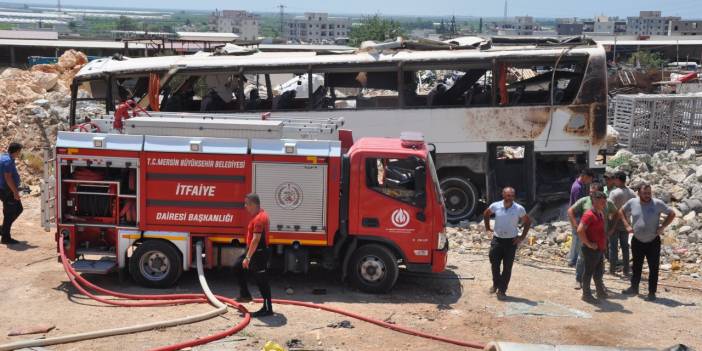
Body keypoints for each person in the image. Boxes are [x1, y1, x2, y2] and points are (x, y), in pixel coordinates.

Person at [619, 184, 676, 301]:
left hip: (653, 241)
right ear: (639, 193)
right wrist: (626, 225)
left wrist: (663, 226)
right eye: (645, 193)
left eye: (649, 193)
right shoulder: (632, 202)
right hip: (637, 241)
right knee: (636, 266)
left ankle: (651, 292)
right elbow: (621, 211)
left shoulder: (657, 203)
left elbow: (672, 213)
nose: (647, 195)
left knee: (653, 268)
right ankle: (634, 288)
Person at [484, 187, 531, 300]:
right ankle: (496, 284)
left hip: (511, 241)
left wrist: (522, 237)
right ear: (503, 195)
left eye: (512, 196)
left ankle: (502, 290)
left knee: (507, 267)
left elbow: (528, 222)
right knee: (494, 263)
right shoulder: (495, 206)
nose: (510, 198)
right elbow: (486, 214)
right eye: (508, 195)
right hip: (497, 240)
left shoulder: (519, 209)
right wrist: (487, 229)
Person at [567, 182, 618, 289]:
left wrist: (612, 228)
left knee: (600, 261)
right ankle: (579, 280)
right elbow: (570, 210)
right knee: (582, 258)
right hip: (587, 237)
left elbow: (617, 213)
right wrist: (575, 225)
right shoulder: (585, 201)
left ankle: (599, 282)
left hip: (602, 237)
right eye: (590, 192)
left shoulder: (607, 202)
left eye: (593, 193)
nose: (591, 195)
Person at [234, 193, 273, 317]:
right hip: (254, 251)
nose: (245, 206)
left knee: (262, 281)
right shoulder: (258, 215)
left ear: (253, 204)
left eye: (246, 204)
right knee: (236, 267)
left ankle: (267, 309)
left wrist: (248, 257)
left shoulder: (259, 218)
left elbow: (256, 239)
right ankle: (245, 294)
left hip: (259, 253)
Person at [577, 191, 609, 304]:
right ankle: (586, 294)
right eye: (602, 202)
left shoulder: (599, 212)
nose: (604, 204)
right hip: (591, 249)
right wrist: (589, 244)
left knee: (599, 271)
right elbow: (580, 230)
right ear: (594, 201)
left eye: (605, 202)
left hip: (599, 248)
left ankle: (600, 291)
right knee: (589, 272)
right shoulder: (589, 215)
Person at [607, 171, 637, 276]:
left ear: (618, 180)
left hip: (614, 224)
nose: (613, 181)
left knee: (613, 247)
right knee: (625, 248)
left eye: (614, 179)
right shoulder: (632, 193)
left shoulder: (614, 193)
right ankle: (626, 270)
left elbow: (609, 208)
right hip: (626, 223)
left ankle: (612, 270)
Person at [567, 169, 594, 268]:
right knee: (577, 238)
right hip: (577, 216)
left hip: (577, 216)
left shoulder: (579, 184)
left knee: (578, 238)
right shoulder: (577, 187)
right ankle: (572, 260)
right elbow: (578, 205)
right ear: (585, 176)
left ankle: (574, 258)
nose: (590, 182)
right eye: (590, 179)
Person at [1, 143, 23, 245]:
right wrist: (15, 192)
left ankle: (3, 229)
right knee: (13, 211)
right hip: (7, 190)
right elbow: (8, 178)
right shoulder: (8, 161)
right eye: (19, 151)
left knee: (13, 210)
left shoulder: (4, 157)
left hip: (4, 189)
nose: (19, 154)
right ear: (16, 151)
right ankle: (5, 236)